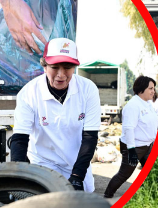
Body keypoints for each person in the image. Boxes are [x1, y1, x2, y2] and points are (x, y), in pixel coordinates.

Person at [9, 38, 101, 192]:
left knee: (82, 206)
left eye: (67, 67)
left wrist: (77, 177)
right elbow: (19, 139)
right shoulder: (29, 93)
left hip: (76, 162)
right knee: (48, 205)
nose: (61, 74)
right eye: (54, 67)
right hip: (44, 162)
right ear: (44, 66)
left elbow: (90, 137)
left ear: (74, 67)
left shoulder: (87, 89)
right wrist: (18, 179)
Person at [104, 75, 158, 198]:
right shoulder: (133, 106)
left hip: (147, 145)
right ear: (141, 90)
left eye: (153, 88)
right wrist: (131, 150)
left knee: (152, 171)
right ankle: (108, 195)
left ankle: (147, 194)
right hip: (134, 146)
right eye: (150, 88)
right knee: (124, 174)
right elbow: (129, 129)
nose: (153, 91)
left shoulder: (147, 104)